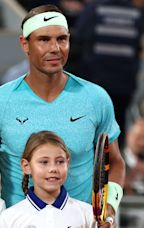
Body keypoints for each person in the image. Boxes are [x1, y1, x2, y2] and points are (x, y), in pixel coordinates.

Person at [0, 4, 125, 225]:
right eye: (44, 40)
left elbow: (115, 162)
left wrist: (109, 208)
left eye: (62, 39)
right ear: (24, 44)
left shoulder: (96, 98)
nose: (55, 48)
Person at [71, 0, 144, 146]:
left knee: (92, 127)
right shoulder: (136, 14)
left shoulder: (94, 10)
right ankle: (114, 163)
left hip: (95, 82)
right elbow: (137, 48)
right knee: (117, 127)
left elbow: (79, 39)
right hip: (124, 84)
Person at [0, 131, 96, 227]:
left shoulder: (87, 214)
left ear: (68, 163)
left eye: (60, 161)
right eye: (44, 162)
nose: (53, 168)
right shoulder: (9, 217)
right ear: (26, 166)